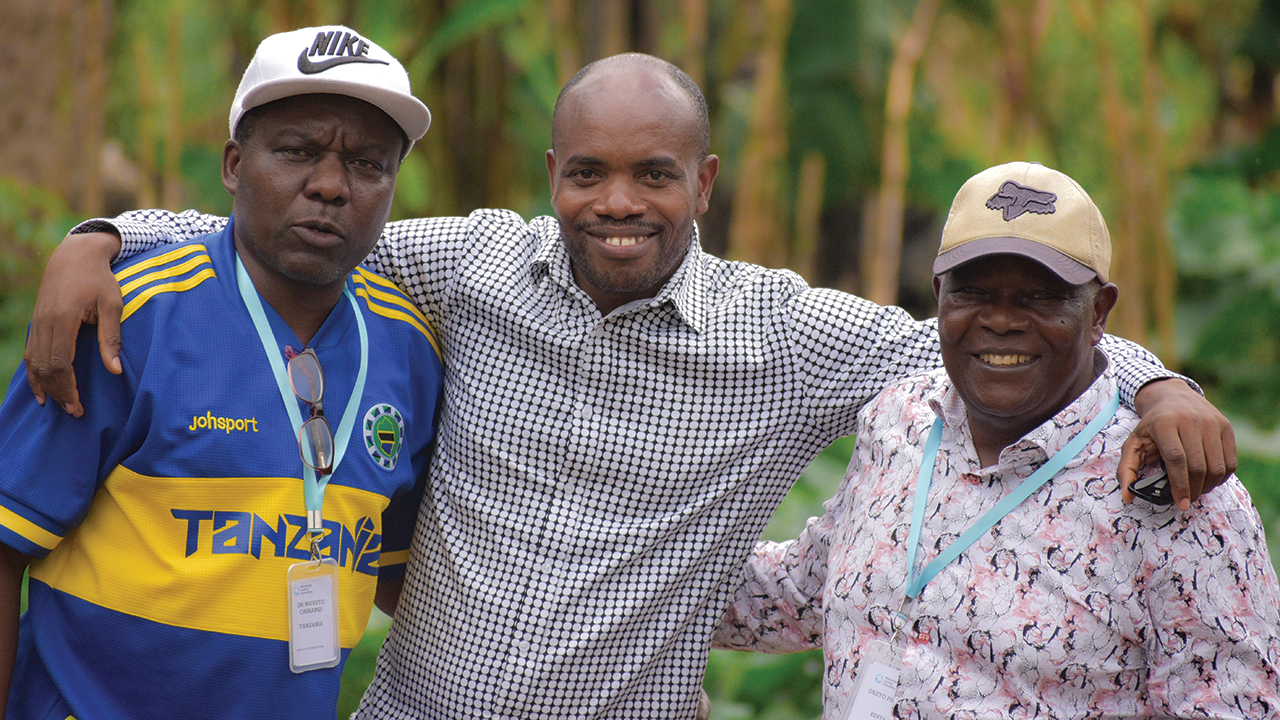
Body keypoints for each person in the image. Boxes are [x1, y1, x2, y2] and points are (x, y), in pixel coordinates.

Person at [23, 56, 1236, 718]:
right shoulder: (471, 261)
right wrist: (103, 234)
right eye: (591, 172)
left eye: (653, 174)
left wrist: (1156, 382)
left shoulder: (788, 335)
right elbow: (283, 226)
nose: (619, 203)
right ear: (553, 175)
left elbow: (984, 336)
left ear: (702, 182)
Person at [712, 162, 1280, 719]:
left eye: (1039, 297)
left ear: (1100, 310)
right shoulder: (900, 419)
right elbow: (804, 590)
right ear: (939, 295)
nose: (1002, 320)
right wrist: (643, 575)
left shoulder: (1173, 489)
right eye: (974, 292)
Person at [0, 25, 443, 719]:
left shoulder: (410, 348)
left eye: (368, 164)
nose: (329, 185)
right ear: (234, 165)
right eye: (297, 151)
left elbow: (395, 571)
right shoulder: (128, 318)